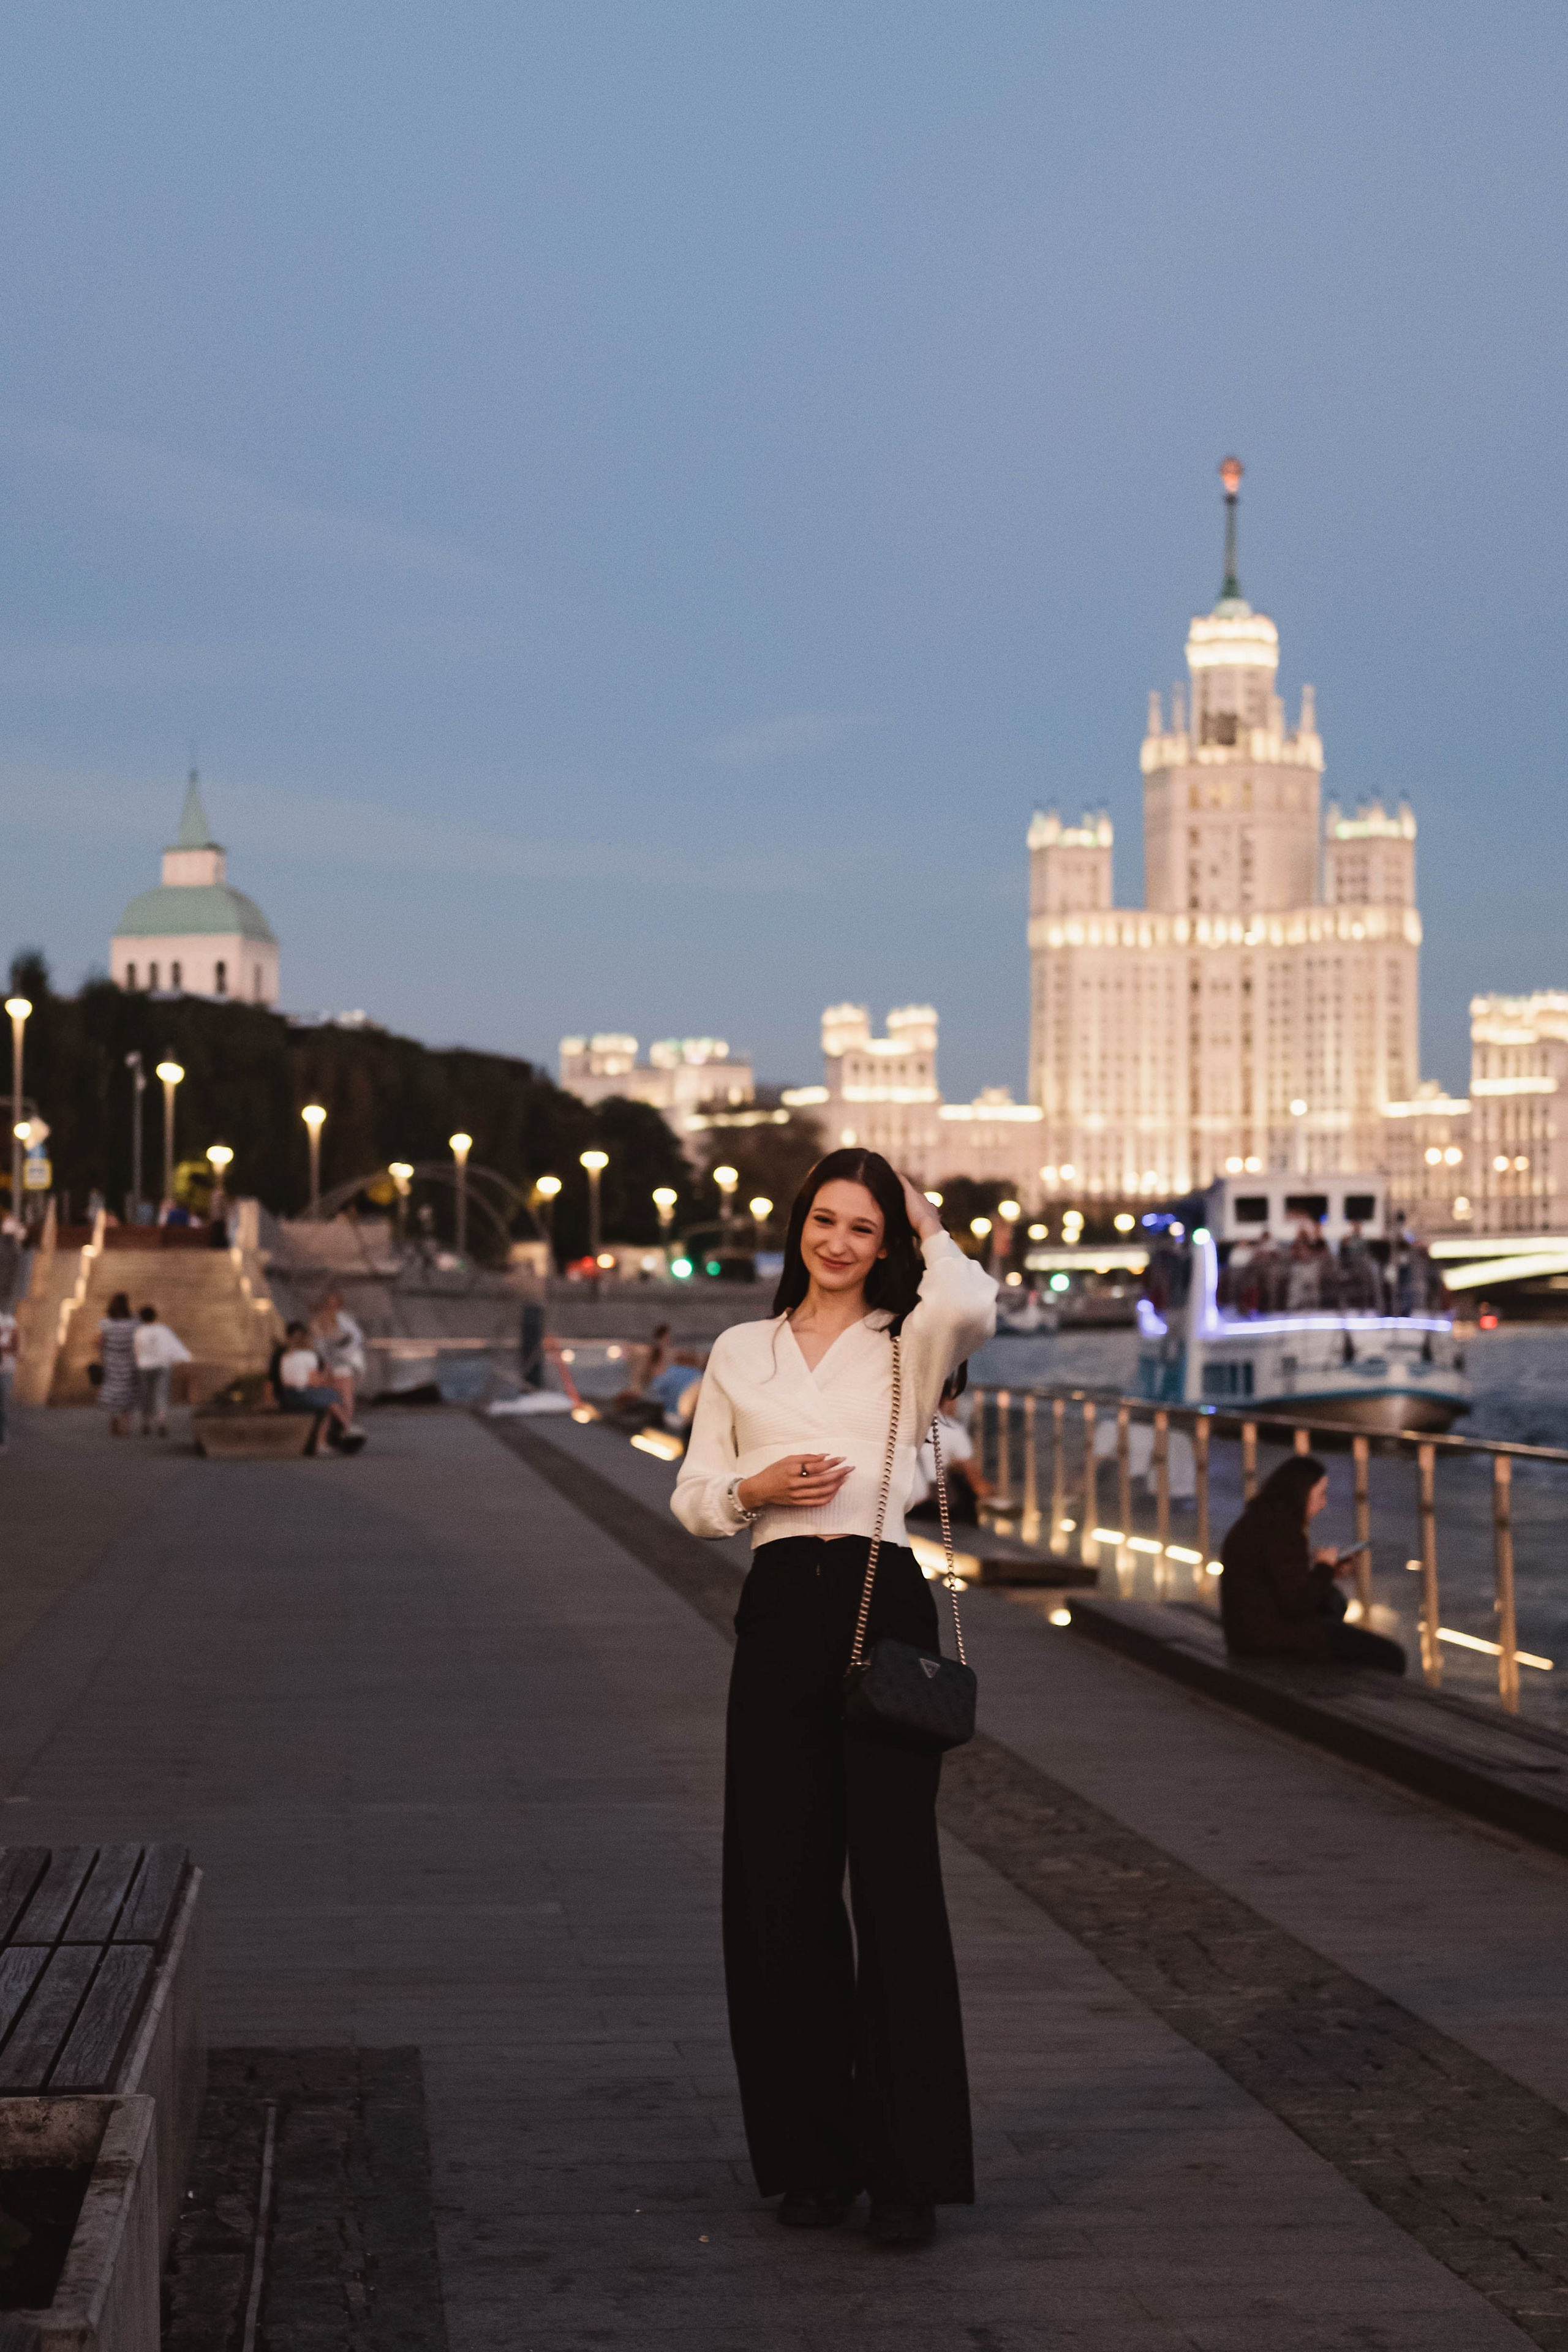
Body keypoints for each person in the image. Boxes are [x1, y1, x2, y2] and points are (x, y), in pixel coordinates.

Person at [673, 1148, 997, 2248]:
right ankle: (811, 2162)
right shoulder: (739, 1350)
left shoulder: (909, 1341)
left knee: (896, 1891)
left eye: (865, 1226)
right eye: (826, 1220)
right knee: (780, 1889)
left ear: (886, 1239)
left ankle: (906, 2177)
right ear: (797, 1228)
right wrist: (752, 1489)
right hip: (777, 1610)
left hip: (880, 1599)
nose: (840, 1243)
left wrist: (921, 1204)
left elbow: (970, 1294)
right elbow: (691, 1496)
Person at [1220, 1455, 1405, 1673]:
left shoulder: (1259, 1521)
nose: (1324, 1503)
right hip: (1268, 1639)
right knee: (1392, 1655)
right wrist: (1323, 1567)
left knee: (1335, 1602)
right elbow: (1297, 1605)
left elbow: (1278, 1583)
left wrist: (1327, 1571)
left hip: (1248, 1633)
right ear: (1301, 1493)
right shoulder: (1283, 1532)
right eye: (1321, 1494)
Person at [271, 1322, 363, 1453]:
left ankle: (342, 1429)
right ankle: (344, 1428)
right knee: (331, 1399)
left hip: (287, 1396)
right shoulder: (308, 1356)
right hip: (301, 1396)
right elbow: (314, 1382)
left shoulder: (286, 1356)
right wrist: (325, 1372)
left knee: (328, 1400)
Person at [132, 1303, 192, 1437]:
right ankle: (161, 1421)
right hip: (162, 1366)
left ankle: (145, 1423)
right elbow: (173, 1346)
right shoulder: (162, 1329)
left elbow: (136, 1350)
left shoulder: (139, 1331)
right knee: (161, 1394)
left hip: (144, 1367)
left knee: (146, 1395)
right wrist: (180, 1359)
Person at [309, 1289, 367, 1427]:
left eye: (335, 1304)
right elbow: (318, 1345)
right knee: (333, 1402)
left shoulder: (345, 1319)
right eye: (330, 1305)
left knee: (344, 1401)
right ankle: (343, 1429)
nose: (333, 1308)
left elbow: (356, 1339)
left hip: (342, 1365)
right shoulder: (319, 1321)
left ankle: (343, 1429)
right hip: (330, 1366)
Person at [96, 1293, 139, 1436]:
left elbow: (100, 1342)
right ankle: (125, 1423)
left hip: (112, 1359)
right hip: (129, 1360)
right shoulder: (134, 1322)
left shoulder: (107, 1323)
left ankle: (114, 1416)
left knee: (113, 1388)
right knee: (128, 1390)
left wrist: (101, 1357)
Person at [0, 1299, 16, 1451]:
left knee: (2, 1406)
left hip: (4, 1369)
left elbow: (15, 1347)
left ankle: (3, 1440)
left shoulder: (10, 1321)